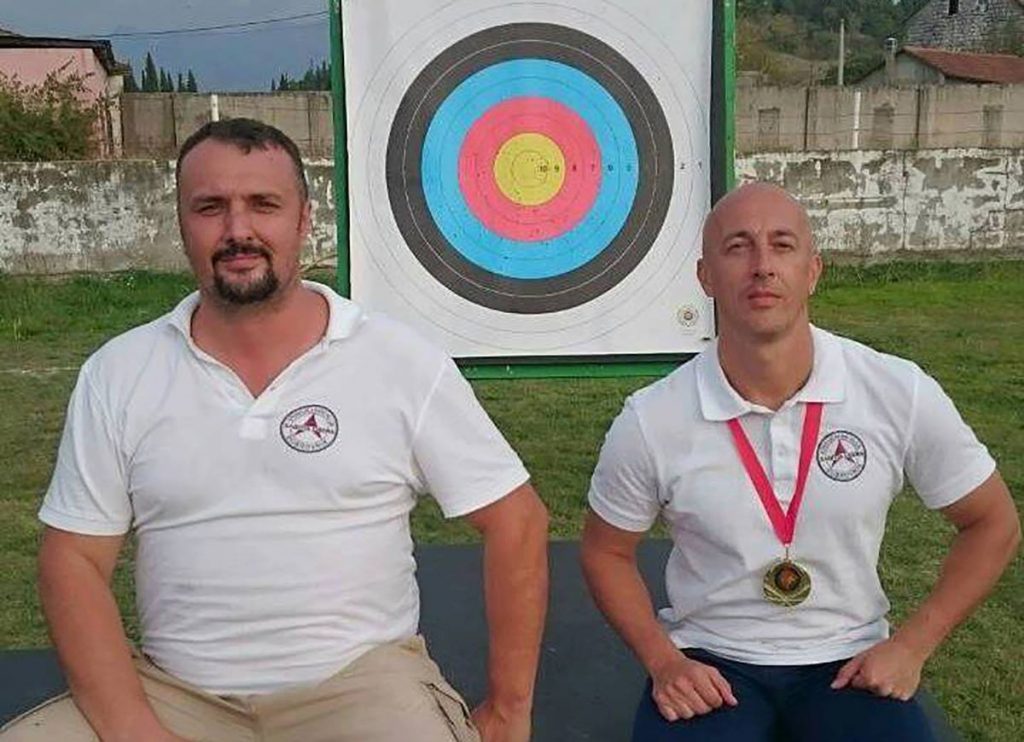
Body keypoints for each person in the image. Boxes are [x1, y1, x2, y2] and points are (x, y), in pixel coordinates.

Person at [2, 118, 548, 742]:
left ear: (304, 219)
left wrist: (509, 707)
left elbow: (516, 520)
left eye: (264, 204)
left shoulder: (399, 360)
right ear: (181, 222)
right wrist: (136, 731)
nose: (238, 230)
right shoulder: (119, 372)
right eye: (210, 207)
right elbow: (73, 558)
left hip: (363, 688)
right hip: (176, 689)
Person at [580, 182, 1020, 741]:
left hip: (850, 661)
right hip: (711, 660)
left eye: (782, 245)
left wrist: (913, 645)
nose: (762, 266)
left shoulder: (896, 390)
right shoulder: (652, 417)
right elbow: (606, 551)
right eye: (738, 247)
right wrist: (663, 661)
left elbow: (992, 522)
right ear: (705, 277)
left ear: (813, 271)